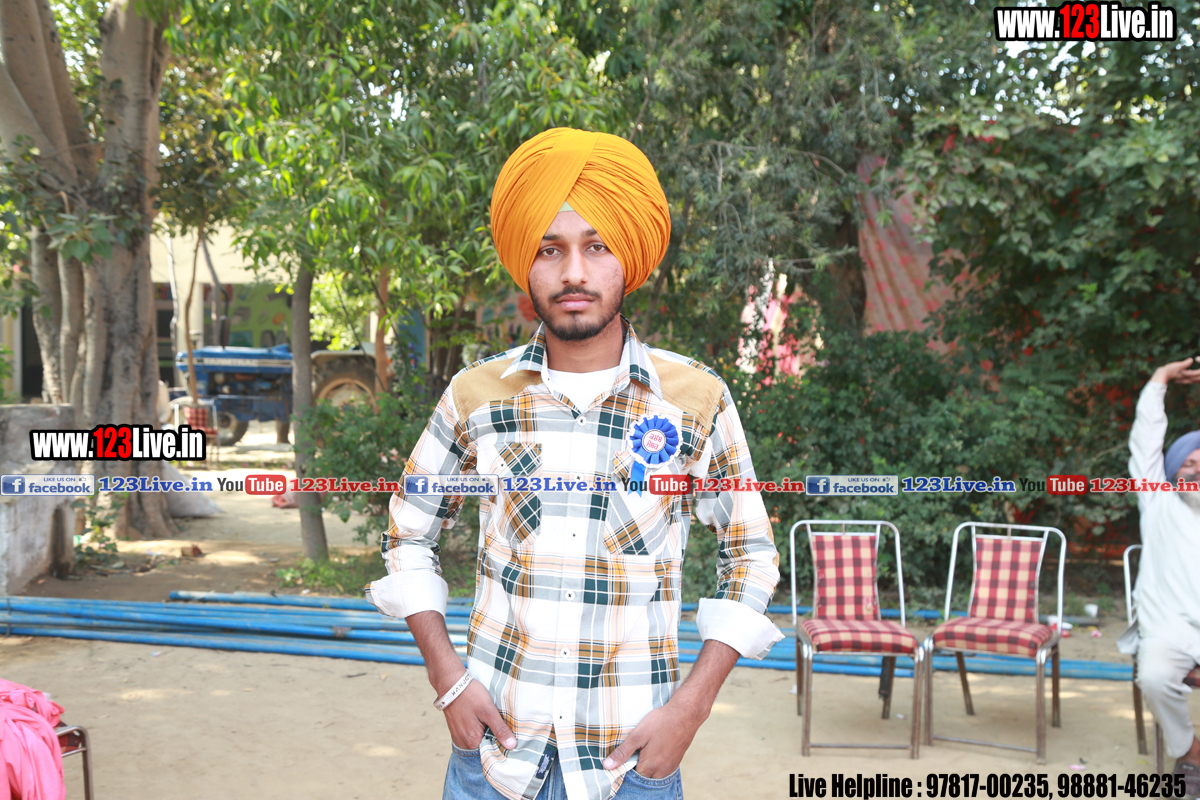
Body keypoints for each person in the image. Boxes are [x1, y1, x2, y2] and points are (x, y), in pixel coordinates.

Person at [368, 128, 782, 800]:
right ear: (526, 263)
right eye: (550, 249)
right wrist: (449, 680)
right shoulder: (476, 396)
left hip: (631, 767)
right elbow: (408, 535)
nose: (574, 274)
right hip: (496, 762)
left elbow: (751, 557)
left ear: (629, 258)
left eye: (597, 246)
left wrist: (691, 709)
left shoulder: (695, 401)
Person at [1123, 357, 1200, 793]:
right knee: (1153, 677)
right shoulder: (1157, 501)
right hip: (1170, 631)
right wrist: (1160, 380)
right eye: (1188, 463)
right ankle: (1191, 754)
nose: (1197, 469)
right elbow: (1145, 440)